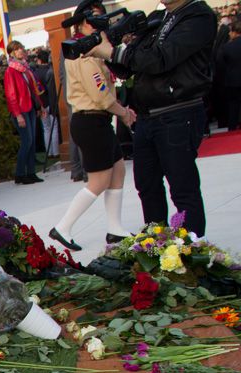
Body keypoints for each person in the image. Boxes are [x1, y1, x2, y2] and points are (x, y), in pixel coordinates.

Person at [88, 0, 217, 236]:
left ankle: (192, 250)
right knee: (147, 186)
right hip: (148, 117)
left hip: (178, 111)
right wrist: (107, 49)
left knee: (182, 188)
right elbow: (133, 65)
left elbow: (161, 59)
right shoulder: (160, 18)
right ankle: (157, 245)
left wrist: (115, 52)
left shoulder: (198, 15)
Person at [50, 1, 138, 251]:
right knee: (99, 181)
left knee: (118, 171)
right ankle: (63, 227)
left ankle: (114, 229)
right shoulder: (82, 52)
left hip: (97, 119)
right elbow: (99, 94)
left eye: (101, 18)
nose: (98, 23)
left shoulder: (95, 48)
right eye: (92, 19)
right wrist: (123, 113)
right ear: (79, 23)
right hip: (90, 119)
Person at [4, 41, 47, 184]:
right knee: (27, 141)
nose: (21, 51)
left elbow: (33, 89)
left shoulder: (25, 68)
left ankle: (31, 172)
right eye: (17, 49)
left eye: (21, 48)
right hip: (21, 110)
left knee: (32, 141)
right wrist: (17, 114)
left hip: (29, 107)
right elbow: (11, 95)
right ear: (12, 53)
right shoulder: (11, 71)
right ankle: (20, 173)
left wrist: (40, 106)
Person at [216, 19, 241, 130]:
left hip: (233, 81)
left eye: (231, 31)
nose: (229, 34)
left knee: (233, 106)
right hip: (233, 80)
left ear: (236, 32)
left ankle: (232, 127)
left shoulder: (227, 47)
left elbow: (220, 64)